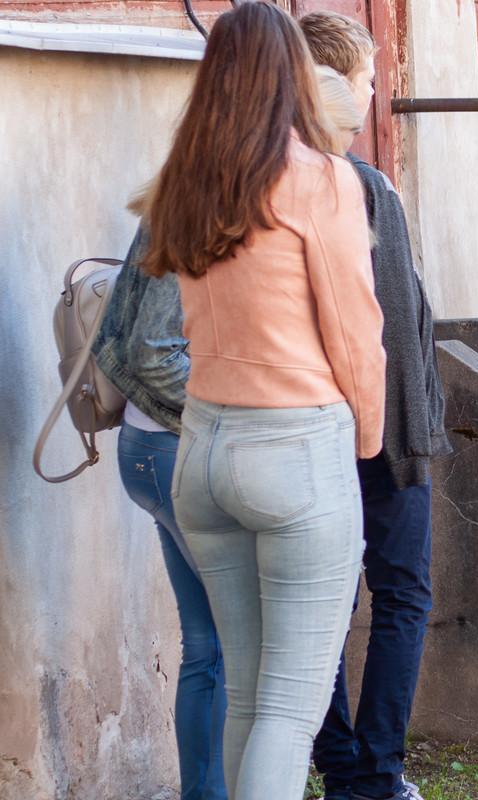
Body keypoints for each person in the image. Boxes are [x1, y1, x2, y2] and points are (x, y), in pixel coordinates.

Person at [143, 4, 384, 798]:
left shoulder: (186, 182)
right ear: (292, 74)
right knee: (289, 704)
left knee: (248, 694)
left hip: (204, 445)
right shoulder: (320, 178)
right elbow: (355, 332)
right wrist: (369, 442)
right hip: (294, 441)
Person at [300, 13, 452, 796]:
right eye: (367, 76)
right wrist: (411, 441)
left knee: (322, 601)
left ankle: (342, 765)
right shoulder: (359, 186)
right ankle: (373, 771)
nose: (375, 90)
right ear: (340, 84)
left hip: (308, 429)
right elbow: (392, 318)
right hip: (378, 434)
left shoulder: (280, 180)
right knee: (400, 593)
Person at [93, 223, 226, 800]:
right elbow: (152, 352)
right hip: (176, 450)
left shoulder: (172, 208)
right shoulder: (197, 210)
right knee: (238, 644)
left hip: (155, 451)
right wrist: (238, 412)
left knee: (208, 644)